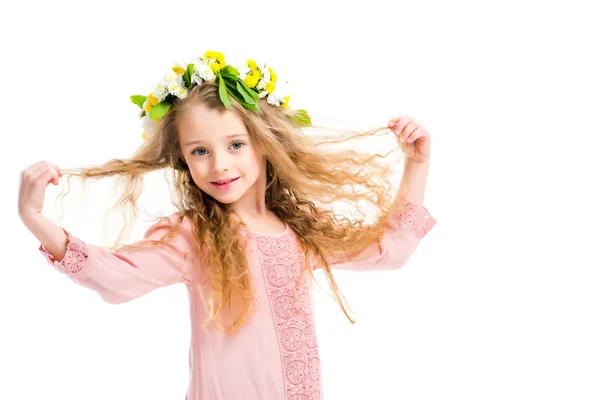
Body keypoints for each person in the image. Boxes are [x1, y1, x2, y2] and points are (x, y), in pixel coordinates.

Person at [17, 51, 437, 400]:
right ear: (183, 159)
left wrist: (416, 164)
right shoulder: (191, 236)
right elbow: (115, 276)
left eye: (235, 144)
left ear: (264, 141)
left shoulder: (299, 233)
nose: (219, 164)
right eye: (199, 150)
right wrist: (34, 219)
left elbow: (391, 250)